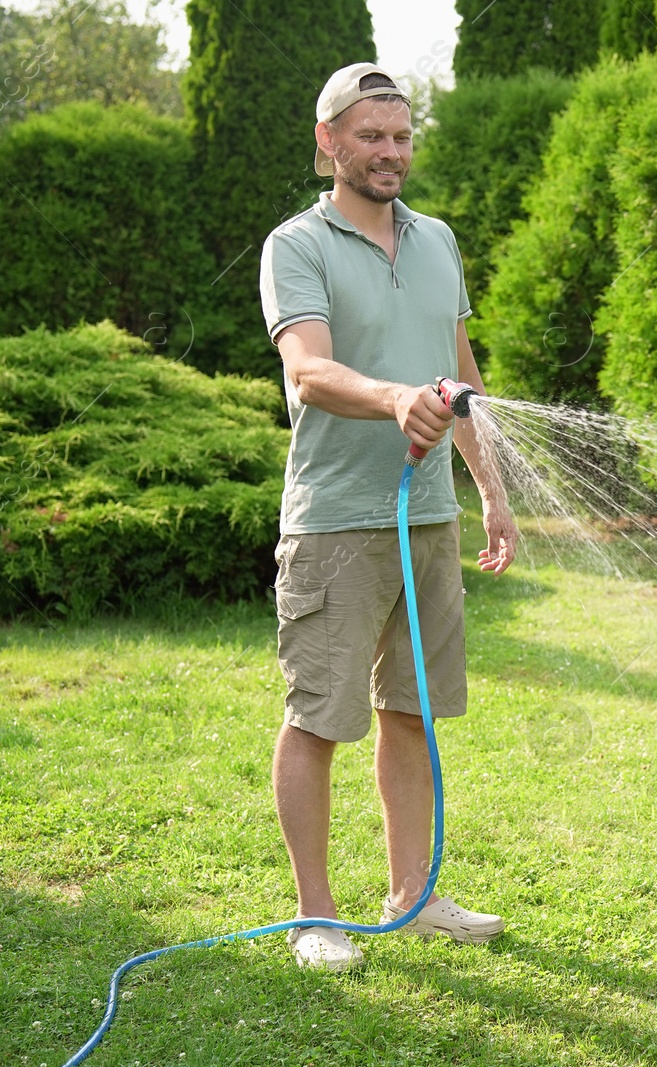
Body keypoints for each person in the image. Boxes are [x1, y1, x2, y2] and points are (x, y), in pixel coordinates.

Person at [258, 62, 517, 972]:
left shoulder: (439, 239)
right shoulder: (298, 244)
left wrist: (490, 487)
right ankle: (314, 915)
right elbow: (310, 371)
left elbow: (464, 376)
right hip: (336, 519)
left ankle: (413, 896)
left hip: (428, 515)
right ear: (329, 142)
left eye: (401, 136)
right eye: (370, 136)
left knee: (412, 711)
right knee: (320, 717)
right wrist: (394, 396)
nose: (390, 152)